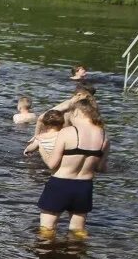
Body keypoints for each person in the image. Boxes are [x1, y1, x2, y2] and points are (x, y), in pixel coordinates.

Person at [31, 97, 107, 239]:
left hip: (61, 184)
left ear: (77, 112)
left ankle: (44, 258)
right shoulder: (104, 136)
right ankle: (76, 257)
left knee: (46, 230)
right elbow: (101, 168)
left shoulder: (67, 132)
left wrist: (41, 147)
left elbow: (52, 164)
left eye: (70, 112)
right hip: (84, 187)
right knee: (77, 231)